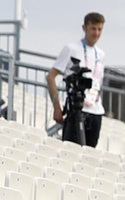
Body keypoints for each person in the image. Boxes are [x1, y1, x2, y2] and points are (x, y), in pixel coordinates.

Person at [47, 12, 110, 147]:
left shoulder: (101, 54)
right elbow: (51, 77)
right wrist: (57, 107)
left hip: (95, 110)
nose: (96, 33)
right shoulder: (71, 49)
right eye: (93, 28)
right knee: (71, 151)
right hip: (76, 110)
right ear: (85, 28)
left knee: (89, 155)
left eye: (100, 29)